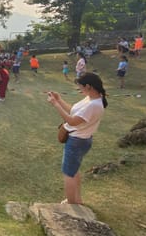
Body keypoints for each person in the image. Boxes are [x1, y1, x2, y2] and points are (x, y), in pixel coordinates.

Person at [47, 72, 107, 205]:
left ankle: (71, 204)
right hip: (82, 140)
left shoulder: (94, 104)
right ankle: (77, 199)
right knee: (74, 170)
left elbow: (72, 121)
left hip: (77, 142)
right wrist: (59, 100)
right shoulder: (91, 98)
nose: (79, 89)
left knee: (68, 173)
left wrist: (55, 105)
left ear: (88, 86)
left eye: (80, 87)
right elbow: (74, 112)